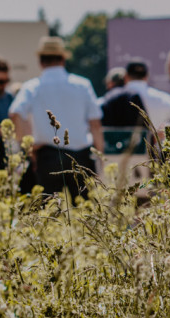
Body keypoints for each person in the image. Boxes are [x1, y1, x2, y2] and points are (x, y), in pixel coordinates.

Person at [9, 35, 103, 200]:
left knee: (50, 209)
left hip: (48, 156)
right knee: (85, 210)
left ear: (40, 61)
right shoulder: (82, 85)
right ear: (63, 59)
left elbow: (15, 113)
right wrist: (100, 157)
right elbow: (95, 124)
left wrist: (29, 147)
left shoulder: (32, 87)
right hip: (80, 156)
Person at [121, 60, 170, 141]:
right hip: (155, 147)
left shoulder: (114, 98)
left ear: (125, 77)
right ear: (147, 77)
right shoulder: (161, 98)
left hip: (117, 148)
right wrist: (168, 134)